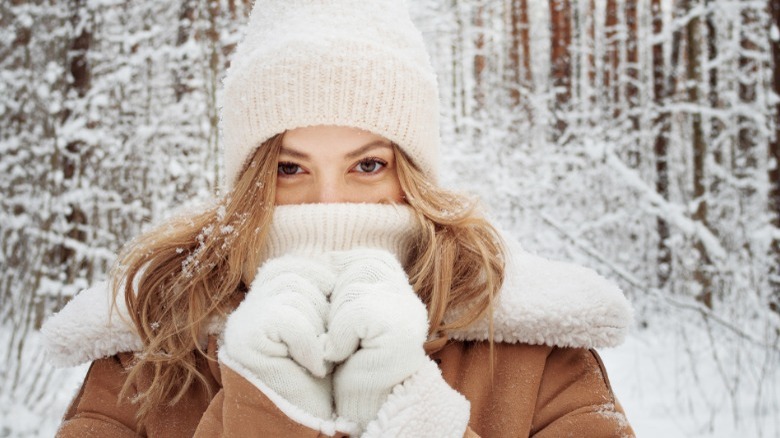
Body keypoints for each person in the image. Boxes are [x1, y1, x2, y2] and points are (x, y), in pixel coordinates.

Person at [41, 0, 635, 436]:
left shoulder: (532, 351)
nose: (329, 203)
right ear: (248, 182)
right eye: (289, 168)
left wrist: (412, 414)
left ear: (413, 174)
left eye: (368, 165)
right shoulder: (150, 356)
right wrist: (266, 408)